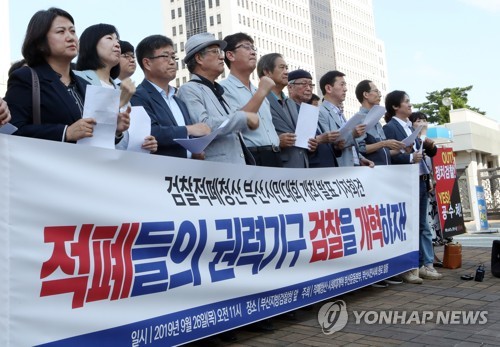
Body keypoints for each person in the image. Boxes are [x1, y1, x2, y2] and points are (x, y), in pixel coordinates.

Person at [5, 8, 97, 143]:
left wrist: (116, 131)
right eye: (61, 31)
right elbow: (12, 130)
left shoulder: (86, 84)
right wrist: (65, 132)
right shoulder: (26, 78)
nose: (71, 37)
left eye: (73, 31)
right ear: (40, 43)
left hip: (87, 162)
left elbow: (93, 133)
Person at [383, 90, 442, 283]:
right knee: (408, 224)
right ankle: (411, 266)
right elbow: (387, 156)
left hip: (421, 180)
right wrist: (409, 157)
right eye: (406, 102)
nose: (410, 105)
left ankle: (427, 264)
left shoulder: (410, 127)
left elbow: (421, 151)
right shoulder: (390, 127)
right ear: (395, 106)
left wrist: (425, 147)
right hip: (405, 182)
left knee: (423, 224)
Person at [177, 32, 259, 165]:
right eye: (215, 52)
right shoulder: (189, 89)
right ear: (199, 58)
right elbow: (203, 126)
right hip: (217, 171)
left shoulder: (219, 90)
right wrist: (243, 117)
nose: (221, 56)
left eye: (220, 51)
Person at [75, 23, 156, 152]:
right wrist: (119, 104)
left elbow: (120, 131)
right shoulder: (77, 79)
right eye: (109, 38)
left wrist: (143, 141)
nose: (117, 44)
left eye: (117, 39)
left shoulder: (118, 87)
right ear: (91, 44)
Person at [131, 35, 210, 158]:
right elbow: (149, 132)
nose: (172, 62)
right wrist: (188, 130)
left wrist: (195, 152)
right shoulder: (138, 95)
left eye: (174, 57)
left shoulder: (178, 100)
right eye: (165, 56)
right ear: (147, 63)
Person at [220, 32, 281, 167]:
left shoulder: (257, 89)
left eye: (253, 48)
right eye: (246, 47)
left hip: (275, 155)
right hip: (252, 156)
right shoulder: (223, 89)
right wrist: (262, 92)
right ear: (230, 55)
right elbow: (237, 122)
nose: (253, 52)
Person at [257, 54, 317, 168]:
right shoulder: (260, 100)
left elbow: (299, 136)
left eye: (286, 68)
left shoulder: (291, 103)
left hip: (302, 166)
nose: (286, 72)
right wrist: (277, 141)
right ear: (267, 72)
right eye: (281, 67)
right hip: (279, 169)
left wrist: (310, 144)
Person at [318, 71, 373, 167]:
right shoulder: (320, 111)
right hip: (339, 169)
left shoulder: (339, 113)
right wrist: (353, 134)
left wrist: (360, 159)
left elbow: (349, 145)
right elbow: (331, 143)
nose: (345, 89)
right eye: (342, 85)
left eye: (345, 85)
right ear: (328, 88)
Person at [287, 69, 338, 168]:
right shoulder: (287, 110)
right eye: (304, 84)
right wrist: (319, 139)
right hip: (310, 170)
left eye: (311, 85)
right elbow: (296, 143)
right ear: (290, 87)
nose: (309, 88)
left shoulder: (311, 110)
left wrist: (337, 146)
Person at [354, 80, 405, 165]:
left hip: (383, 172)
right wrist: (384, 143)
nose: (380, 95)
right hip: (372, 172)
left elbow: (383, 153)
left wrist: (401, 150)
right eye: (376, 91)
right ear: (366, 94)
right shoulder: (359, 119)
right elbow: (360, 148)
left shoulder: (376, 120)